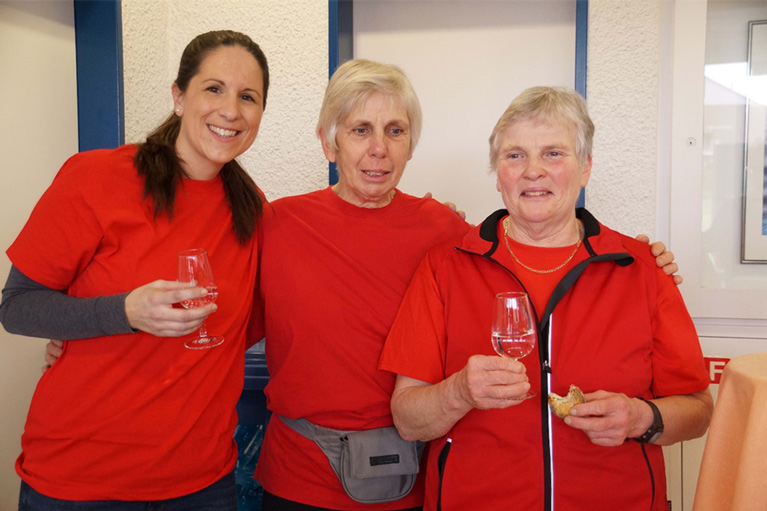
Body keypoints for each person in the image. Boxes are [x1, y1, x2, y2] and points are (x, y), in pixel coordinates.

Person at [247, 62, 682, 511]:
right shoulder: (276, 226)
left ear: (411, 144)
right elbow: (231, 325)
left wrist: (646, 261)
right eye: (360, 129)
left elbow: (529, 243)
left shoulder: (444, 230)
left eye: (395, 130)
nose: (379, 148)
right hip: (300, 474)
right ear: (327, 141)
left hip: (413, 474)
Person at [378, 87, 713, 511]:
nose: (533, 171)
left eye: (554, 153)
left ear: (586, 167)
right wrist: (458, 392)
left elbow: (699, 411)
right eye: (515, 155)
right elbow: (407, 420)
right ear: (497, 173)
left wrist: (641, 418)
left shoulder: (642, 268)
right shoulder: (446, 266)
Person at [0, 30, 269, 509]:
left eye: (248, 96)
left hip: (203, 483)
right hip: (81, 479)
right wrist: (122, 312)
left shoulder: (253, 212)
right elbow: (17, 307)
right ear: (178, 96)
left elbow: (248, 322)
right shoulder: (96, 177)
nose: (231, 109)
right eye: (213, 88)